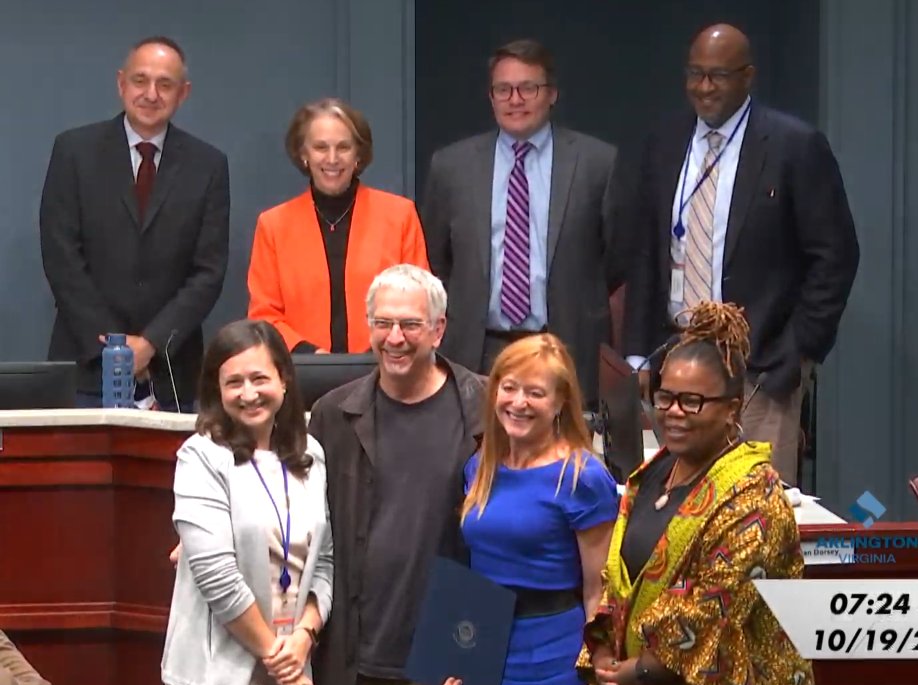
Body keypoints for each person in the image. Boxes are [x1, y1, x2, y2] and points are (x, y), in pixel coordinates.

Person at [622, 23, 859, 484]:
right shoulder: (664, 143)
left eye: (718, 76)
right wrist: (638, 355)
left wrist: (798, 352)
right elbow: (646, 254)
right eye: (695, 74)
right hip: (674, 361)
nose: (704, 88)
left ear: (747, 76)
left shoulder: (794, 146)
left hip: (760, 368)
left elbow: (835, 256)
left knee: (754, 512)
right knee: (676, 506)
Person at [579, 302, 813, 685]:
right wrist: (603, 651)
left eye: (692, 401)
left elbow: (711, 607)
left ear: (731, 410)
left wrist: (634, 672)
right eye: (665, 397)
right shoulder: (652, 473)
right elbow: (617, 580)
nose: (673, 412)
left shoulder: (755, 498)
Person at [307, 264, 486, 685]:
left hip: (442, 659)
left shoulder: (484, 410)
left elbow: (496, 544)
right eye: (383, 323)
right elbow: (296, 512)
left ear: (438, 329)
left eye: (410, 325)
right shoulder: (333, 415)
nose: (395, 338)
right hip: (351, 657)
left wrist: (466, 651)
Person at [421, 38, 626, 406]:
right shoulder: (451, 166)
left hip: (562, 347)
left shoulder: (597, 163)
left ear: (552, 94)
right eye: (504, 89)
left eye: (528, 88)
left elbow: (615, 260)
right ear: (491, 96)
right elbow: (438, 260)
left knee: (561, 460)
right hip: (477, 351)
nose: (515, 100)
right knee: (475, 459)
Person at [40, 36, 230, 412]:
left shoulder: (208, 165)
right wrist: (115, 349)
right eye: (140, 80)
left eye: (165, 84)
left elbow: (208, 272)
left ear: (183, 93)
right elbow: (61, 256)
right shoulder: (74, 151)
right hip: (85, 365)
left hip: (172, 372)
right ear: (121, 83)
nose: (151, 93)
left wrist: (151, 344)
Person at [161, 319, 333, 685]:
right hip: (217, 676)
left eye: (259, 378)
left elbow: (324, 562)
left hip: (293, 661)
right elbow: (216, 576)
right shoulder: (202, 457)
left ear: (283, 380)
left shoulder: (311, 455)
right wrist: (278, 660)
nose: (248, 393)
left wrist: (304, 635)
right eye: (233, 382)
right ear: (217, 391)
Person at [456, 334, 618, 685]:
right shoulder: (481, 466)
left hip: (550, 655)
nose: (518, 402)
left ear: (560, 400)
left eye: (535, 393)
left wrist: (599, 663)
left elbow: (599, 590)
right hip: (480, 645)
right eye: (509, 388)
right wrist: (457, 655)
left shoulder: (583, 478)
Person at [248, 98, 430, 355]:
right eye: (320, 147)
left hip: (386, 365)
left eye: (343, 147)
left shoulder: (400, 215)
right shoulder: (274, 225)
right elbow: (264, 314)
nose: (332, 159)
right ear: (304, 155)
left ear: (358, 154)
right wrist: (311, 355)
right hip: (304, 372)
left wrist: (381, 349)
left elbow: (420, 300)